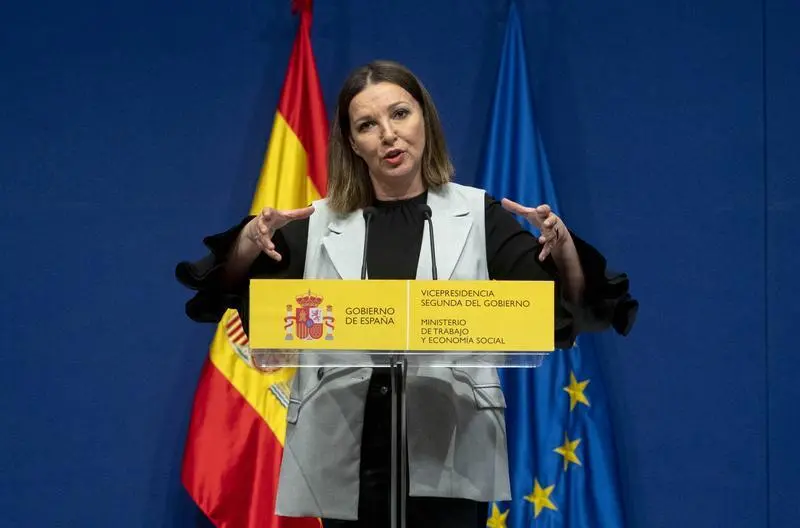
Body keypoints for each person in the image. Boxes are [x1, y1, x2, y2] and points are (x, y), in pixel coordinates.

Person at [176, 60, 638, 527]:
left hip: (452, 448)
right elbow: (227, 292)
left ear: (425, 119)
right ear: (352, 143)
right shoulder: (318, 223)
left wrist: (564, 251)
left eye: (400, 114)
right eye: (367, 125)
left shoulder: (478, 215)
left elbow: (558, 309)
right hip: (346, 455)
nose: (388, 135)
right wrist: (246, 244)